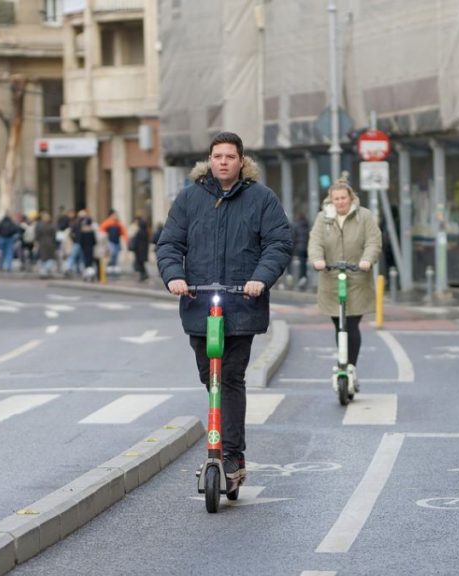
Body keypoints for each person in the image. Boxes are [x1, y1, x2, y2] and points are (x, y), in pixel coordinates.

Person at [156, 131, 292, 490]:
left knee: (230, 378)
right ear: (209, 159)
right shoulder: (189, 199)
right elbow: (169, 243)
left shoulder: (261, 199)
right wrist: (174, 277)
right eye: (217, 156)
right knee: (209, 377)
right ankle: (225, 448)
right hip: (199, 303)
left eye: (230, 156)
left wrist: (260, 279)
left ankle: (231, 454)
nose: (223, 162)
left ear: (241, 161)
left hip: (242, 304)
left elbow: (278, 243)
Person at [308, 178, 382, 393]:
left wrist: (367, 260)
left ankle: (350, 367)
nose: (340, 202)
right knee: (338, 324)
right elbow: (315, 242)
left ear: (351, 197)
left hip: (357, 278)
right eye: (336, 198)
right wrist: (317, 260)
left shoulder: (364, 216)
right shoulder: (324, 218)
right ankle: (343, 363)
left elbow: (373, 241)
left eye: (343, 198)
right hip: (331, 278)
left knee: (350, 325)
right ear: (331, 199)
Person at [99, 209, 129, 275]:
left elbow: (124, 232)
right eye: (114, 215)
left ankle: (114, 266)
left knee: (116, 254)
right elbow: (101, 231)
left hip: (117, 242)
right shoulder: (107, 222)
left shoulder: (118, 223)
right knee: (111, 254)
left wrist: (126, 239)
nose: (116, 216)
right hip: (110, 242)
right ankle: (110, 266)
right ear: (111, 215)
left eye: (116, 215)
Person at [129, 215, 151, 282]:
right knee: (141, 264)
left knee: (139, 264)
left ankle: (143, 275)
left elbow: (136, 242)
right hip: (143, 251)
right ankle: (144, 275)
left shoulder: (139, 232)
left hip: (139, 251)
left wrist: (132, 247)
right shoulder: (146, 232)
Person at [292, 211, 310, 289]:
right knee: (304, 263)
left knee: (301, 263)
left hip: (299, 247)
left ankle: (301, 278)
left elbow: (294, 237)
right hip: (306, 247)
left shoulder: (296, 226)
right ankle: (304, 277)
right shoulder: (307, 225)